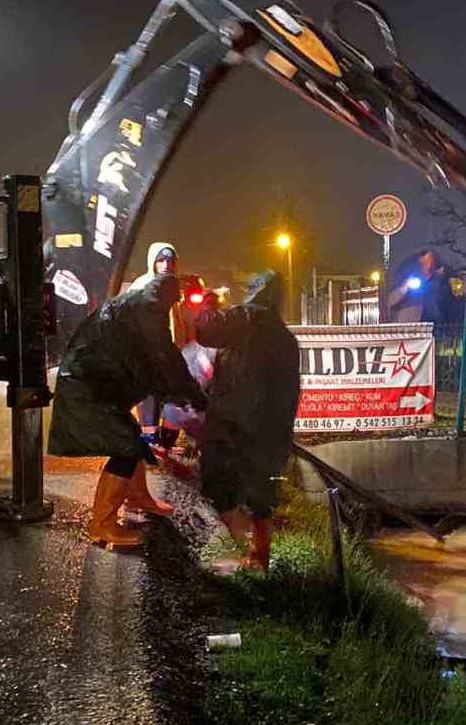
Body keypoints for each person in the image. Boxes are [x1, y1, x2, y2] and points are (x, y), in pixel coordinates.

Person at [48, 274, 207, 549]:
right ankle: (102, 525)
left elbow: (148, 361)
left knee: (131, 439)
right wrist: (195, 395)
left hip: (93, 381)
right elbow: (163, 355)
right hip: (87, 385)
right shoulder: (148, 308)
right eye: (177, 302)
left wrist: (181, 392)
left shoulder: (137, 303)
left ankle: (138, 497)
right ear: (170, 297)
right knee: (126, 446)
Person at [190, 270, 301, 571]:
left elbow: (206, 331)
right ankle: (260, 556)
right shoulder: (285, 337)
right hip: (270, 430)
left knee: (215, 482)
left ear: (255, 292)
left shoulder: (247, 317)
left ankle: (240, 545)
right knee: (261, 494)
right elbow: (291, 391)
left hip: (232, 423)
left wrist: (207, 306)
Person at [131, 241, 192, 453]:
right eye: (161, 260)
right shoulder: (142, 285)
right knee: (150, 395)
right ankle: (149, 438)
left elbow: (178, 322)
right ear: (153, 262)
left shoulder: (173, 287)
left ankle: (166, 442)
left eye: (170, 261)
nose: (166, 264)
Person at [386, 248, 458, 325]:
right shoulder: (410, 281)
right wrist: (405, 288)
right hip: (417, 323)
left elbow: (452, 297)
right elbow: (391, 302)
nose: (429, 266)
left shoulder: (443, 279)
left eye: (431, 262)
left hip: (441, 322)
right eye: (425, 263)